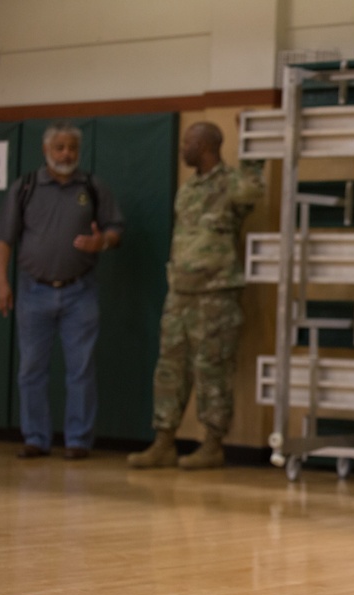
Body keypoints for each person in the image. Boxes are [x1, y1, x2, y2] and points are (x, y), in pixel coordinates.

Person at [127, 121, 265, 470]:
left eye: (188, 141)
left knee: (212, 369)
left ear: (204, 145)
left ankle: (213, 444)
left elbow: (252, 191)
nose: (183, 146)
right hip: (180, 294)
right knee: (170, 368)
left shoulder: (231, 183)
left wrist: (254, 148)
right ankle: (163, 442)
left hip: (215, 296)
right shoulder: (188, 189)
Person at [0, 121, 124, 460]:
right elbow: (4, 237)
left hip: (80, 291)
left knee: (80, 368)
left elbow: (114, 229)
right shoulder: (27, 187)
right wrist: (1, 281)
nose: (66, 154)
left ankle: (78, 440)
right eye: (60, 147)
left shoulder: (93, 187)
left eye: (72, 148)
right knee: (31, 368)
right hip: (33, 291)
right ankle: (35, 437)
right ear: (46, 150)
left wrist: (102, 242)